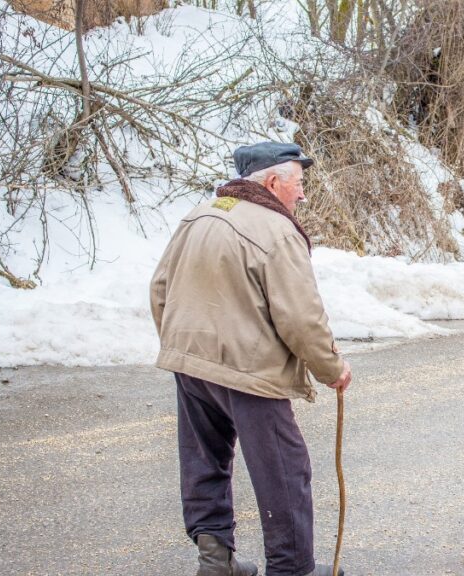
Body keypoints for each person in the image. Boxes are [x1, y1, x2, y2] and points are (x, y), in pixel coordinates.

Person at [150, 142, 351, 576]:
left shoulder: (199, 215)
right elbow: (301, 318)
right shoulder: (276, 231)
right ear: (273, 181)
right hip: (249, 372)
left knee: (205, 461)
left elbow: (160, 288)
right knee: (284, 474)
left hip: (190, 363)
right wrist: (331, 369)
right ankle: (290, 569)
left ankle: (214, 560)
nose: (302, 195)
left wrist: (182, 344)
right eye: (298, 184)